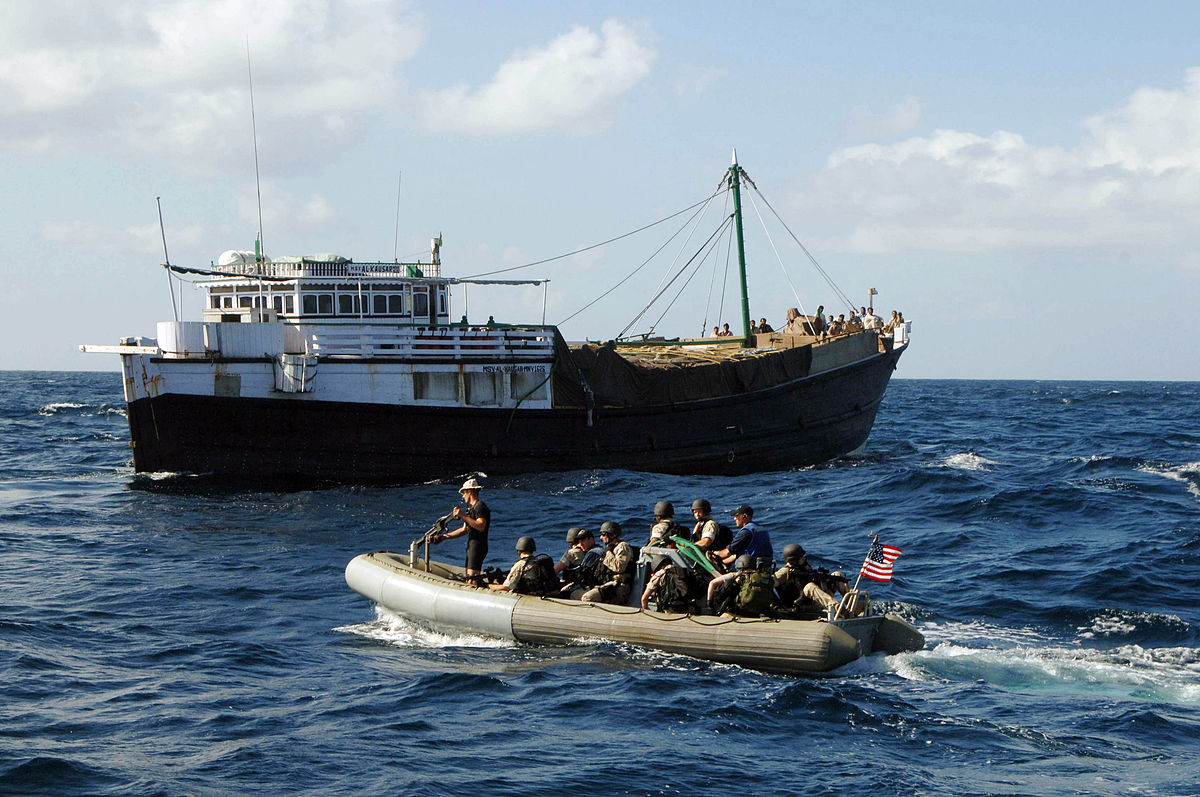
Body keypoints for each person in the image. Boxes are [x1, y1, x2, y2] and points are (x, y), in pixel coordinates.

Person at [434, 477, 490, 587]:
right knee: (469, 576)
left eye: (463, 493)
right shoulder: (471, 509)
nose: (462, 496)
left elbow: (481, 526)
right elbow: (465, 529)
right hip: (472, 545)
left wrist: (462, 515)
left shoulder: (480, 507)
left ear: (469, 492)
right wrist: (445, 537)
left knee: (472, 578)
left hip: (478, 546)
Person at [773, 543, 853, 615]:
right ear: (794, 560)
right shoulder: (785, 571)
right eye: (801, 558)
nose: (804, 559)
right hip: (800, 605)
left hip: (815, 601)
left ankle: (855, 607)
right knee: (809, 586)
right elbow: (770, 582)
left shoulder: (805, 567)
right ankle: (837, 608)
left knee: (837, 575)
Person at [581, 522, 636, 604]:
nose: (601, 537)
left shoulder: (622, 547)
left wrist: (609, 552)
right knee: (575, 594)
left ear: (612, 535)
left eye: (603, 535)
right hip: (607, 583)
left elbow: (619, 567)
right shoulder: (609, 548)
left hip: (619, 585)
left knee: (588, 598)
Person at [706, 554, 778, 617]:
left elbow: (712, 583)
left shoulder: (735, 575)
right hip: (757, 612)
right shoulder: (760, 577)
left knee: (729, 585)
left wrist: (709, 602)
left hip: (737, 610)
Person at [640, 538, 698, 613]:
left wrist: (648, 611)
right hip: (688, 608)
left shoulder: (659, 575)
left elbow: (644, 599)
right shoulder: (683, 572)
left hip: (670, 610)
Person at [488, 536, 557, 595]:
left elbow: (506, 587)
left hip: (532, 595)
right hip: (547, 592)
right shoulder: (539, 561)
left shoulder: (520, 565)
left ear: (518, 550)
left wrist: (488, 585)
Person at [561, 528, 602, 598]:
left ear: (591, 539)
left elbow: (583, 574)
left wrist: (570, 585)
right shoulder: (599, 548)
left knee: (564, 594)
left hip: (593, 585)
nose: (581, 544)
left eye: (583, 541)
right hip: (594, 583)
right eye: (579, 542)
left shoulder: (592, 553)